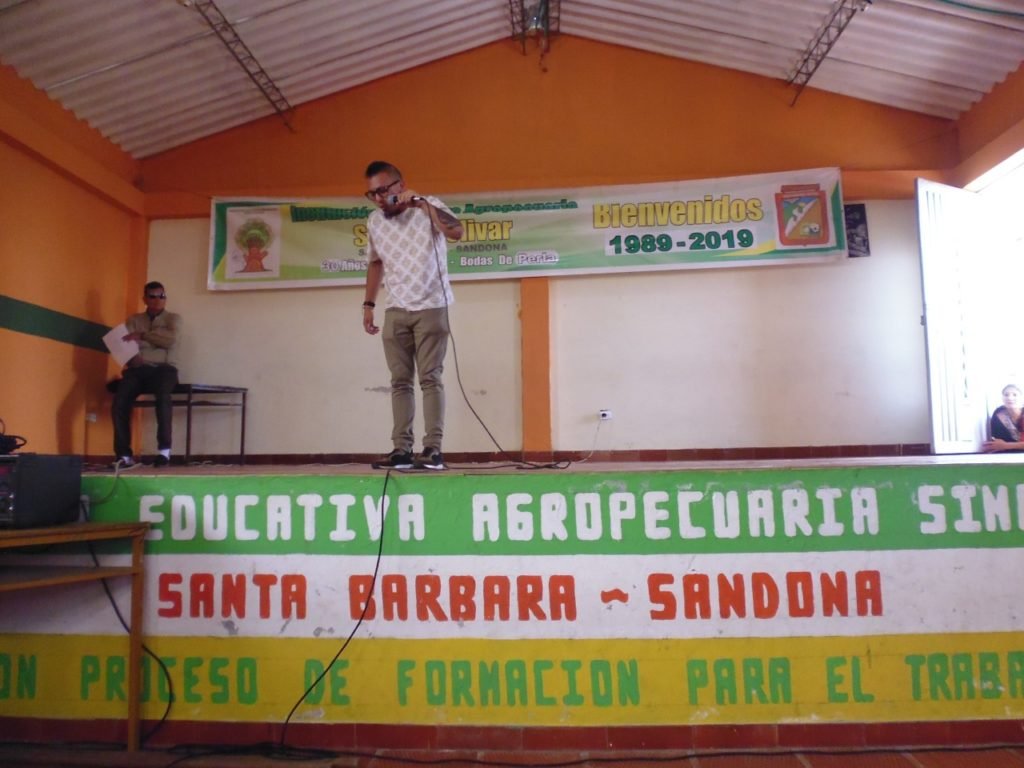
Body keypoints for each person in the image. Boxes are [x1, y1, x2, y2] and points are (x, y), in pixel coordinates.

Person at [361, 161, 463, 470]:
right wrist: (368, 305)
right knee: (400, 382)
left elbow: (456, 232)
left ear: (400, 186)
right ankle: (401, 449)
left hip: (431, 305)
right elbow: (375, 262)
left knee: (430, 379)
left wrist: (423, 205)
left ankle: (433, 450)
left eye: (383, 191)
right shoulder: (374, 221)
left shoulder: (428, 207)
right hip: (396, 308)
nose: (378, 199)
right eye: (372, 194)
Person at [111, 281, 182, 468]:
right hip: (138, 370)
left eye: (162, 296)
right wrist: (132, 358)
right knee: (120, 400)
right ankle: (124, 455)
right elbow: (123, 344)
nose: (158, 300)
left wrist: (141, 336)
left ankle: (164, 451)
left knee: (163, 397)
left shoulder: (173, 319)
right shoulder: (134, 320)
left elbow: (171, 340)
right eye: (153, 296)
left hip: (164, 369)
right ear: (145, 299)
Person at [983, 383, 1024, 453]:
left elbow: (1002, 445)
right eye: (1006, 395)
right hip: (1005, 455)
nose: (1010, 398)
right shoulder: (998, 413)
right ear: (1002, 398)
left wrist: (1006, 445)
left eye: (1015, 395)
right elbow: (996, 439)